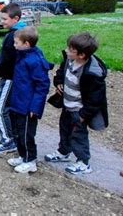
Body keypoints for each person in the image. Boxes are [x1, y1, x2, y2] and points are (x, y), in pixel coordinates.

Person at [45, 32, 108, 175]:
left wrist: (83, 115)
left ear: (82, 55)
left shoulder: (93, 73)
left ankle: (83, 162)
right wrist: (59, 83)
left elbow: (96, 99)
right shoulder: (69, 60)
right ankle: (63, 152)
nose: (66, 51)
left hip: (79, 110)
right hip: (67, 106)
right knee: (64, 129)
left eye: (70, 49)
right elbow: (60, 72)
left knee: (78, 135)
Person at [6, 27, 51, 173]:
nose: (14, 45)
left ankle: (30, 160)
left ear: (26, 44)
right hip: (17, 102)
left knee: (26, 134)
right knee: (18, 131)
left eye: (16, 42)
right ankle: (22, 155)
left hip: (27, 107)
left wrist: (35, 107)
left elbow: (42, 85)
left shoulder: (35, 60)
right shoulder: (22, 55)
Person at [0, 3, 26, 154]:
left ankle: (8, 140)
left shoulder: (14, 36)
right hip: (10, 77)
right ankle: (10, 136)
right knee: (5, 109)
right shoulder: (17, 33)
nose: (1, 22)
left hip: (9, 78)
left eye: (4, 19)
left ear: (15, 18)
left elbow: (8, 60)